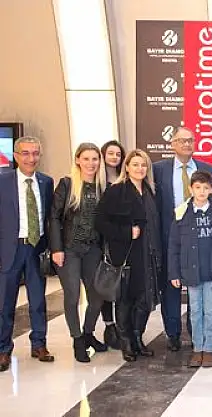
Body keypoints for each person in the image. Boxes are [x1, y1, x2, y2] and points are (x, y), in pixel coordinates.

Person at [95, 149, 162, 362]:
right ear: (127, 167)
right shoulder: (117, 191)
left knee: (144, 300)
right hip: (127, 255)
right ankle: (126, 342)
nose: (140, 169)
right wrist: (125, 232)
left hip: (148, 254)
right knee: (125, 300)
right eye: (135, 164)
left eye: (143, 165)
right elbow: (100, 222)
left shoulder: (150, 191)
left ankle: (138, 338)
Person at [153, 127, 212, 352]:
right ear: (172, 144)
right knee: (171, 286)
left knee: (198, 289)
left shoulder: (207, 169)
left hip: (201, 239)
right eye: (181, 140)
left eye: (190, 140)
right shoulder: (158, 169)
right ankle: (173, 334)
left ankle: (195, 331)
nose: (187, 144)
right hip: (170, 238)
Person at [0, 136, 55, 372]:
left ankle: (39, 344)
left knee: (38, 300)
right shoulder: (3, 182)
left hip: (36, 248)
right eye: (25, 153)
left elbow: (50, 217)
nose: (30, 158)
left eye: (35, 153)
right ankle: (3, 349)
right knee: (5, 303)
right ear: (15, 156)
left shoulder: (46, 182)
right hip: (9, 249)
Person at [49, 143, 108, 363]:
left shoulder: (103, 187)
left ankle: (88, 332)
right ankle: (77, 339)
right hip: (69, 250)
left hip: (93, 249)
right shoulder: (67, 184)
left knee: (97, 296)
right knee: (72, 295)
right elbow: (54, 217)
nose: (91, 163)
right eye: (86, 159)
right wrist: (56, 248)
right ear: (77, 160)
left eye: (95, 159)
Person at [168, 171, 212, 368]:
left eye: (205, 188)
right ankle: (197, 348)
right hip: (191, 272)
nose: (201, 191)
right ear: (190, 189)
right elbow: (174, 246)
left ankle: (209, 349)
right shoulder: (181, 213)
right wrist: (174, 272)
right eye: (197, 187)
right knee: (195, 311)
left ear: (211, 189)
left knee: (211, 311)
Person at [99, 140, 126, 348]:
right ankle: (109, 325)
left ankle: (121, 327)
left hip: (119, 239)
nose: (114, 157)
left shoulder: (124, 180)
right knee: (106, 282)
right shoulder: (96, 180)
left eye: (118, 154)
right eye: (110, 153)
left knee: (120, 283)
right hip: (99, 239)